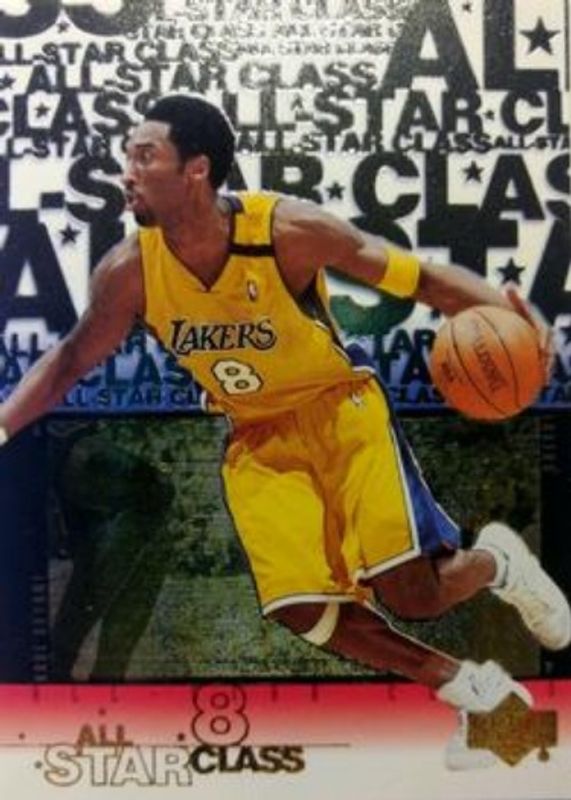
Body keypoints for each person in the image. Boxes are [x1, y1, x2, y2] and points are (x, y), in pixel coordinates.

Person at [0, 94, 569, 765]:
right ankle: (476, 694)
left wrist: (518, 320)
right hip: (257, 438)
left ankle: (499, 561)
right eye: (128, 156)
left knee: (412, 596)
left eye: (144, 156)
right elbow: (70, 359)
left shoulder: (287, 232)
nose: (126, 171)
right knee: (303, 610)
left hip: (340, 413)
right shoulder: (130, 272)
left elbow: (418, 281)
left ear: (196, 170)